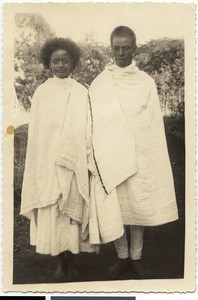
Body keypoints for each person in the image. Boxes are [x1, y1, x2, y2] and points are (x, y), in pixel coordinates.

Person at [88, 26, 178, 279]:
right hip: (111, 153)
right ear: (110, 48)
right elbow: (94, 119)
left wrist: (139, 146)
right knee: (117, 206)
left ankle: (136, 257)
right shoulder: (101, 82)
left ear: (134, 48)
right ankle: (122, 258)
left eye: (126, 47)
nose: (121, 53)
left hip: (140, 154)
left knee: (137, 205)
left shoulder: (145, 82)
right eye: (116, 48)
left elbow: (150, 123)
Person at [21, 37, 95, 281]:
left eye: (65, 61)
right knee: (53, 211)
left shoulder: (80, 91)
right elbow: (38, 135)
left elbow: (86, 127)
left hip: (73, 162)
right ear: (48, 64)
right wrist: (44, 160)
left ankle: (71, 260)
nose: (61, 65)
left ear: (72, 63)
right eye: (56, 61)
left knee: (72, 212)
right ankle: (58, 263)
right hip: (49, 162)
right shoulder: (42, 93)